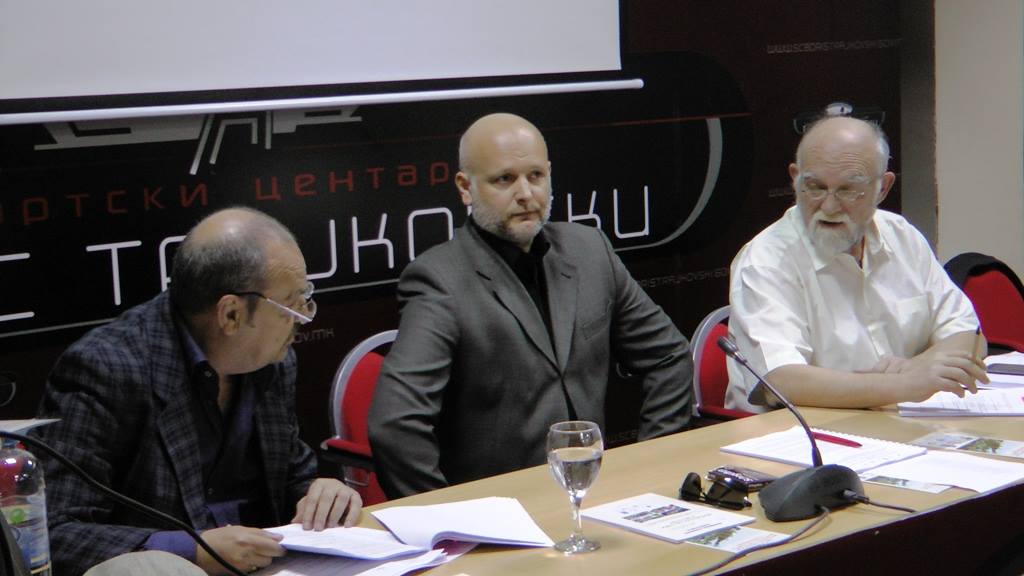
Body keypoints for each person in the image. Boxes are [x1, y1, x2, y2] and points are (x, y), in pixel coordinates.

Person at [368, 112, 693, 498]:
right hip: (501, 509)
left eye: (535, 176)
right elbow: (395, 423)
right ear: (465, 188)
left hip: (594, 495)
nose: (525, 194)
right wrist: (446, 518)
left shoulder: (590, 250)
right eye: (504, 179)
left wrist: (650, 462)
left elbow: (669, 357)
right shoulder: (440, 279)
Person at [32, 207, 362, 576]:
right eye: (291, 304)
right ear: (231, 314)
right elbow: (55, 533)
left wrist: (320, 492)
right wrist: (192, 550)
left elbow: (291, 477)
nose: (303, 317)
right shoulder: (107, 368)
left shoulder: (270, 362)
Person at [725, 115, 989, 413]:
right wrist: (905, 385)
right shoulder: (765, 260)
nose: (829, 206)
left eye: (848, 190)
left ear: (883, 188)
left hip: (895, 421)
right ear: (795, 178)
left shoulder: (901, 236)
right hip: (800, 430)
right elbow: (780, 381)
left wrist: (915, 369)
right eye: (815, 187)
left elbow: (969, 335)